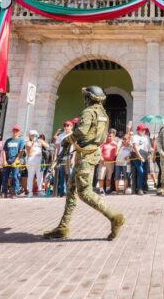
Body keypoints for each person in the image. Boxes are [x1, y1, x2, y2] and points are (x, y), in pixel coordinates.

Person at [44, 86, 126, 241]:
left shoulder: (89, 112)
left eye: (86, 97)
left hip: (86, 155)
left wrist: (67, 139)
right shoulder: (103, 114)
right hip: (91, 152)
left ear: (89, 98)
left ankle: (114, 216)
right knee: (72, 188)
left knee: (85, 192)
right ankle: (63, 226)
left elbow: (81, 131)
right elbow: (100, 136)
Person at [0, 125, 24, 198]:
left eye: (17, 131)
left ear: (19, 132)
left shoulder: (21, 140)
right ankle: (4, 192)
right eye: (14, 130)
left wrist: (16, 161)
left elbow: (21, 152)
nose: (15, 132)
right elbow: (4, 151)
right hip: (7, 160)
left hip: (15, 160)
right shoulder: (8, 140)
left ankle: (15, 192)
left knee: (15, 176)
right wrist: (4, 161)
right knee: (5, 177)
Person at [53, 121, 74, 197]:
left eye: (68, 125)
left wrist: (73, 159)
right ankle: (63, 191)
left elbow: (75, 148)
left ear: (71, 126)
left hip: (70, 155)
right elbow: (57, 148)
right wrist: (56, 157)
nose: (66, 127)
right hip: (62, 156)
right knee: (62, 174)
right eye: (65, 125)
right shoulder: (61, 135)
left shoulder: (73, 135)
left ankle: (71, 191)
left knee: (70, 174)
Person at [26, 130, 47, 198]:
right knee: (31, 176)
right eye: (31, 135)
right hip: (31, 159)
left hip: (39, 159)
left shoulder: (39, 141)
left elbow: (47, 146)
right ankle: (30, 192)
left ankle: (40, 190)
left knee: (40, 176)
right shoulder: (28, 142)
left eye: (34, 135)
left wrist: (41, 141)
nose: (33, 136)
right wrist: (33, 142)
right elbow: (29, 150)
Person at [131, 125, 151, 195]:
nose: (143, 131)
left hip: (145, 155)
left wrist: (149, 154)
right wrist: (139, 156)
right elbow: (135, 146)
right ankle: (139, 188)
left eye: (144, 130)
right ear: (138, 130)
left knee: (145, 172)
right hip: (137, 156)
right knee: (140, 171)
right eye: (141, 130)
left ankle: (144, 187)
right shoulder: (135, 137)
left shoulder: (147, 137)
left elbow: (148, 147)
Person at [98, 129, 118, 195]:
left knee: (109, 178)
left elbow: (117, 154)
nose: (109, 137)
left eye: (110, 136)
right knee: (101, 177)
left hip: (111, 163)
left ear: (114, 137)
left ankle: (108, 190)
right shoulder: (103, 144)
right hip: (103, 163)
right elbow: (99, 152)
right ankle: (101, 190)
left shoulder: (115, 144)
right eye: (108, 136)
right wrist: (101, 158)